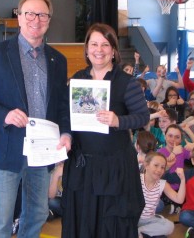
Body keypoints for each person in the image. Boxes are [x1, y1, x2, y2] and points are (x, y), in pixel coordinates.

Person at [0, 0, 71, 238]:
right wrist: (4, 114)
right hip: (8, 148)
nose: (36, 19)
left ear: (49, 19)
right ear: (19, 17)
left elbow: (61, 106)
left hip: (43, 151)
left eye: (42, 14)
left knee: (37, 213)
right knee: (2, 220)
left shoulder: (58, 60)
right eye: (30, 14)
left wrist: (66, 133)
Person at [61, 23, 150, 238]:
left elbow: (143, 117)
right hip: (82, 167)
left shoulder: (126, 82)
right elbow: (66, 115)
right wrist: (66, 134)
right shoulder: (77, 79)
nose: (98, 49)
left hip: (114, 168)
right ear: (87, 49)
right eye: (94, 44)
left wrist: (118, 120)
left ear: (113, 51)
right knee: (82, 219)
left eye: (105, 44)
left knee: (111, 224)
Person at [138, 152, 185, 238]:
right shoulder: (137, 178)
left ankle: (140, 230)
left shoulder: (162, 184)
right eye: (156, 165)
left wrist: (182, 179)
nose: (159, 170)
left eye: (162, 167)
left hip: (149, 220)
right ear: (146, 165)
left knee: (169, 226)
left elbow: (179, 199)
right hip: (132, 218)